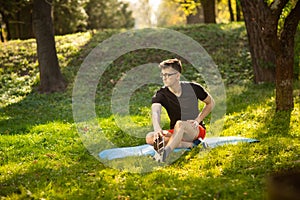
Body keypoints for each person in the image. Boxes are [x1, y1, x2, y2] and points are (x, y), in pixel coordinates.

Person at [145, 58, 215, 162]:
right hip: (176, 132)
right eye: (163, 75)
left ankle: (164, 154)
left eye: (168, 75)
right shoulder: (161, 93)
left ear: (177, 75)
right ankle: (191, 145)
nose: (164, 78)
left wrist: (197, 120)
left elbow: (211, 103)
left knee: (180, 124)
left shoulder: (194, 88)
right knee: (150, 137)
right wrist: (157, 129)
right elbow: (156, 111)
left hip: (194, 130)